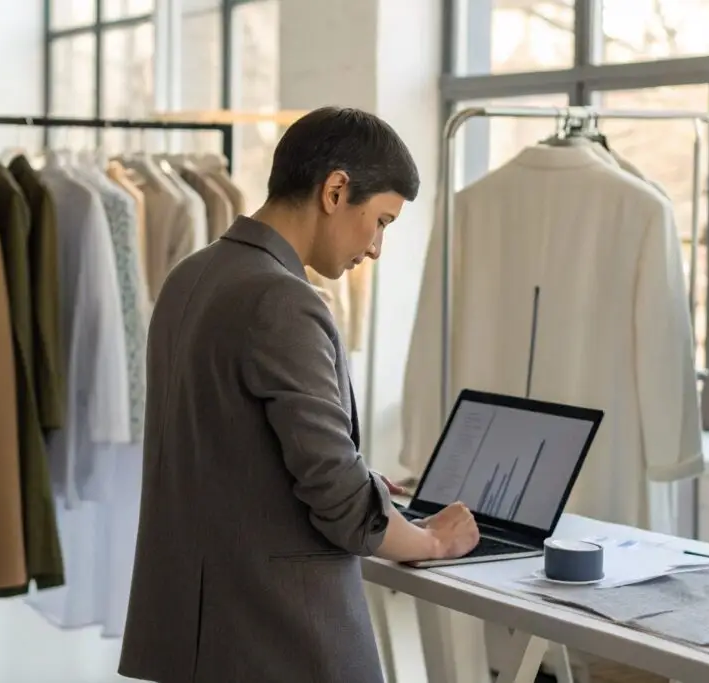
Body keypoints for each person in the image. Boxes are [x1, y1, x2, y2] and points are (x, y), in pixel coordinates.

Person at [118, 107, 481, 683]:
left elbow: (221, 450)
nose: (377, 247)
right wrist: (432, 541)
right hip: (282, 636)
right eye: (382, 221)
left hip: (195, 631)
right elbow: (338, 503)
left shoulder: (191, 275)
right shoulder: (282, 300)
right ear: (336, 190)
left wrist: (362, 478)